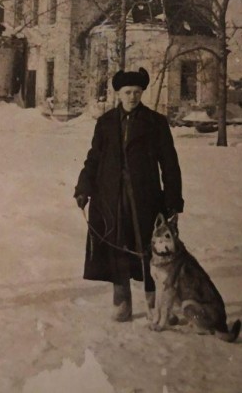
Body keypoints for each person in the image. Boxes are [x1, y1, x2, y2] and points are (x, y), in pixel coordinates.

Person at [74, 67, 184, 322]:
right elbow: (94, 158)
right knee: (117, 247)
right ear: (119, 94)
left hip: (144, 197)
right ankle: (121, 301)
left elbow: (169, 163)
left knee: (150, 249)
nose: (132, 97)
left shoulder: (155, 122)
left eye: (137, 92)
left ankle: (155, 305)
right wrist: (83, 188)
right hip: (110, 196)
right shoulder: (106, 122)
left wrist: (173, 200)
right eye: (127, 92)